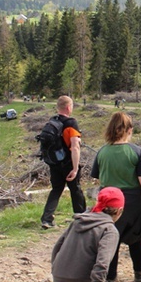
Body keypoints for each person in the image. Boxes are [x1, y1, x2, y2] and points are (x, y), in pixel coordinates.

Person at [26, 187, 124, 282]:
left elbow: (57, 246)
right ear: (119, 211)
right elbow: (103, 262)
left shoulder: (79, 220)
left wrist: (56, 271)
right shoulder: (109, 230)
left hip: (59, 280)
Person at [89, 112, 141, 282]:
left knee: (111, 240)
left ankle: (111, 280)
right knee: (136, 239)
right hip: (132, 200)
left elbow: (96, 177)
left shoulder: (102, 151)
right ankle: (139, 272)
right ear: (129, 130)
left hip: (108, 199)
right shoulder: (136, 151)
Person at [40, 96, 86, 229]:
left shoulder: (52, 121)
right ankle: (81, 216)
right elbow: (75, 146)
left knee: (56, 189)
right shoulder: (71, 123)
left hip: (54, 162)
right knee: (75, 188)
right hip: (67, 162)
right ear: (68, 107)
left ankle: (47, 219)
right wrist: (76, 168)